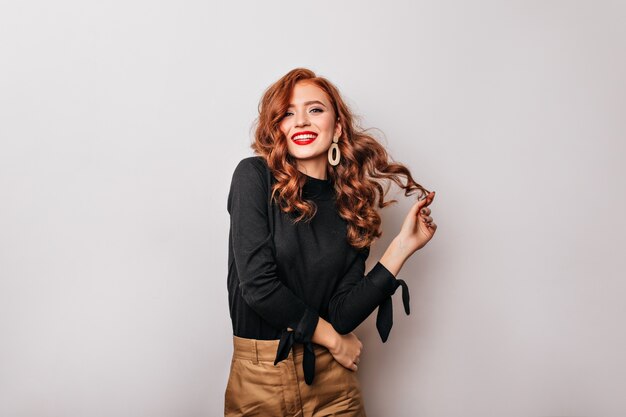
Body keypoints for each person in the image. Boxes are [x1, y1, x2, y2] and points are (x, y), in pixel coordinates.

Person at [224, 68, 437, 416]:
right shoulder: (253, 178)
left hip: (334, 387)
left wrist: (402, 248)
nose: (301, 121)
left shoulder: (352, 205)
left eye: (315, 109)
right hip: (260, 382)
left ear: (337, 127)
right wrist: (333, 339)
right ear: (276, 127)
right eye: (287, 113)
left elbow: (341, 313)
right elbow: (258, 287)